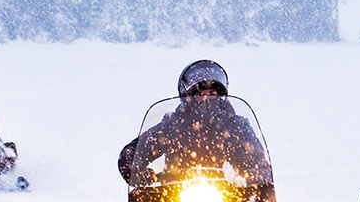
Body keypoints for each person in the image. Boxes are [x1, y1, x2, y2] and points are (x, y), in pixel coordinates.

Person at [116, 59, 274, 194]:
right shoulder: (172, 126)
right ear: (187, 98)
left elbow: (259, 163)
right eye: (199, 95)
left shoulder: (236, 127)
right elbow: (131, 154)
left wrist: (252, 176)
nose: (206, 100)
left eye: (212, 94)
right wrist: (136, 171)